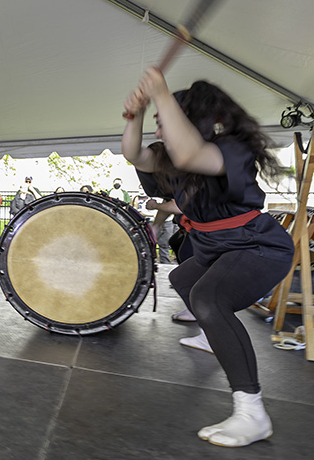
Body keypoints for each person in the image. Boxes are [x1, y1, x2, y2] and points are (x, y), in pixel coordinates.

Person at [121, 67, 294, 448]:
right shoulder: (171, 159)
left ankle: (252, 412)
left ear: (187, 120)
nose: (159, 131)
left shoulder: (231, 149)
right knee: (182, 280)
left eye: (163, 123)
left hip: (256, 246)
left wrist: (161, 94)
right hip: (217, 247)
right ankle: (210, 334)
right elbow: (133, 154)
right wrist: (135, 114)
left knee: (208, 298)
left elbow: (191, 152)